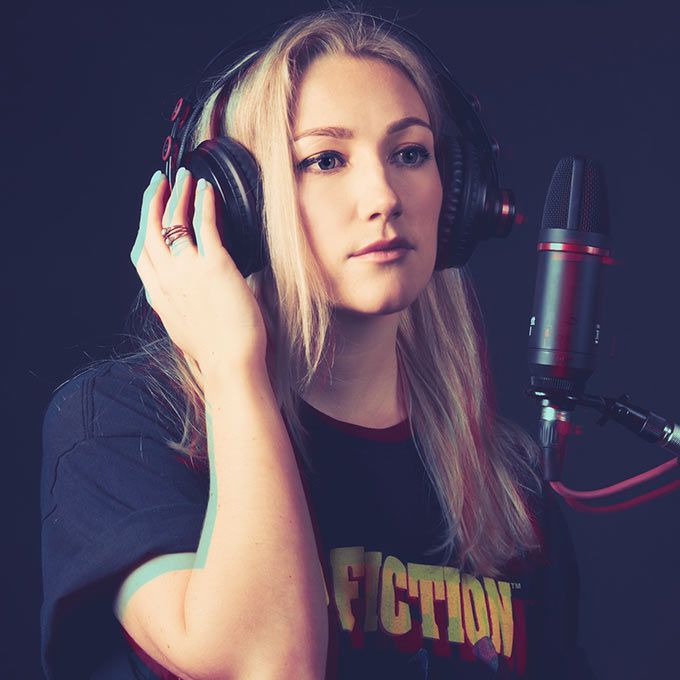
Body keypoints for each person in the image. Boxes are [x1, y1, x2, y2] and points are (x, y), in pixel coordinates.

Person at [40, 5, 590, 679]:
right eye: (324, 160)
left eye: (409, 153)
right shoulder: (124, 426)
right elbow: (269, 666)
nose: (383, 196)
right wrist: (235, 368)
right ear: (235, 204)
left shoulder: (510, 485)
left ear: (460, 196)